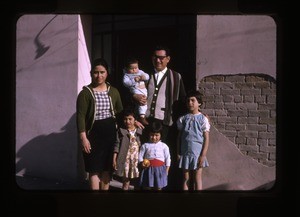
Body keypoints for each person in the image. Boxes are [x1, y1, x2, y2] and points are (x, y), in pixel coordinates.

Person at [133, 45, 186, 190]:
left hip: (167, 122)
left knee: (165, 155)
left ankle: (165, 186)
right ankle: (146, 185)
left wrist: (197, 112)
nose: (158, 60)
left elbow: (183, 100)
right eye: (155, 57)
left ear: (168, 59)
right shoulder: (145, 75)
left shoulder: (176, 76)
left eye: (162, 57)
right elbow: (133, 92)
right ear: (152, 58)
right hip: (146, 121)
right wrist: (135, 96)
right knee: (146, 155)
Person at [76, 58, 123, 190]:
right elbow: (80, 117)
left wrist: (132, 121)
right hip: (93, 135)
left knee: (107, 169)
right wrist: (83, 138)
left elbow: (120, 112)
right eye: (96, 72)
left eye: (102, 72)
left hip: (110, 134)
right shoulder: (85, 94)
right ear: (91, 73)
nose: (99, 75)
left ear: (107, 73)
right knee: (94, 169)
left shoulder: (113, 91)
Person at [176, 90, 210, 190]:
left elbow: (206, 138)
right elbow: (179, 137)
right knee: (186, 177)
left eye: (192, 100)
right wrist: (178, 152)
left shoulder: (203, 119)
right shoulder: (183, 118)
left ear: (199, 103)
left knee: (197, 177)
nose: (190, 103)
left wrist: (203, 155)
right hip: (185, 152)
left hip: (197, 153)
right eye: (188, 101)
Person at [113, 108, 143, 190]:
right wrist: (114, 159)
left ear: (135, 120)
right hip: (126, 160)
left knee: (138, 181)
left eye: (130, 119)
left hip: (136, 161)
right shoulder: (121, 131)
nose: (128, 121)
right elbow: (117, 146)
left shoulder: (139, 131)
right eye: (125, 119)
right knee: (126, 182)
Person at [138, 121, 171, 190]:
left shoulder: (164, 146)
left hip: (160, 169)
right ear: (149, 134)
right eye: (152, 135)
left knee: (159, 187)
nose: (154, 137)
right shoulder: (145, 145)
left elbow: (168, 158)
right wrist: (141, 163)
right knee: (147, 186)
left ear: (161, 135)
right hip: (148, 169)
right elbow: (140, 156)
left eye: (156, 135)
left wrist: (167, 170)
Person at [122, 57, 150, 126]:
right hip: (136, 90)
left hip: (143, 89)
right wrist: (134, 80)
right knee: (141, 102)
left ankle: (144, 115)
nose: (135, 70)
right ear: (127, 69)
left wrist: (144, 77)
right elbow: (126, 83)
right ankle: (142, 116)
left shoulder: (140, 72)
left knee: (145, 102)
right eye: (132, 68)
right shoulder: (127, 75)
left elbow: (147, 76)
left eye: (136, 68)